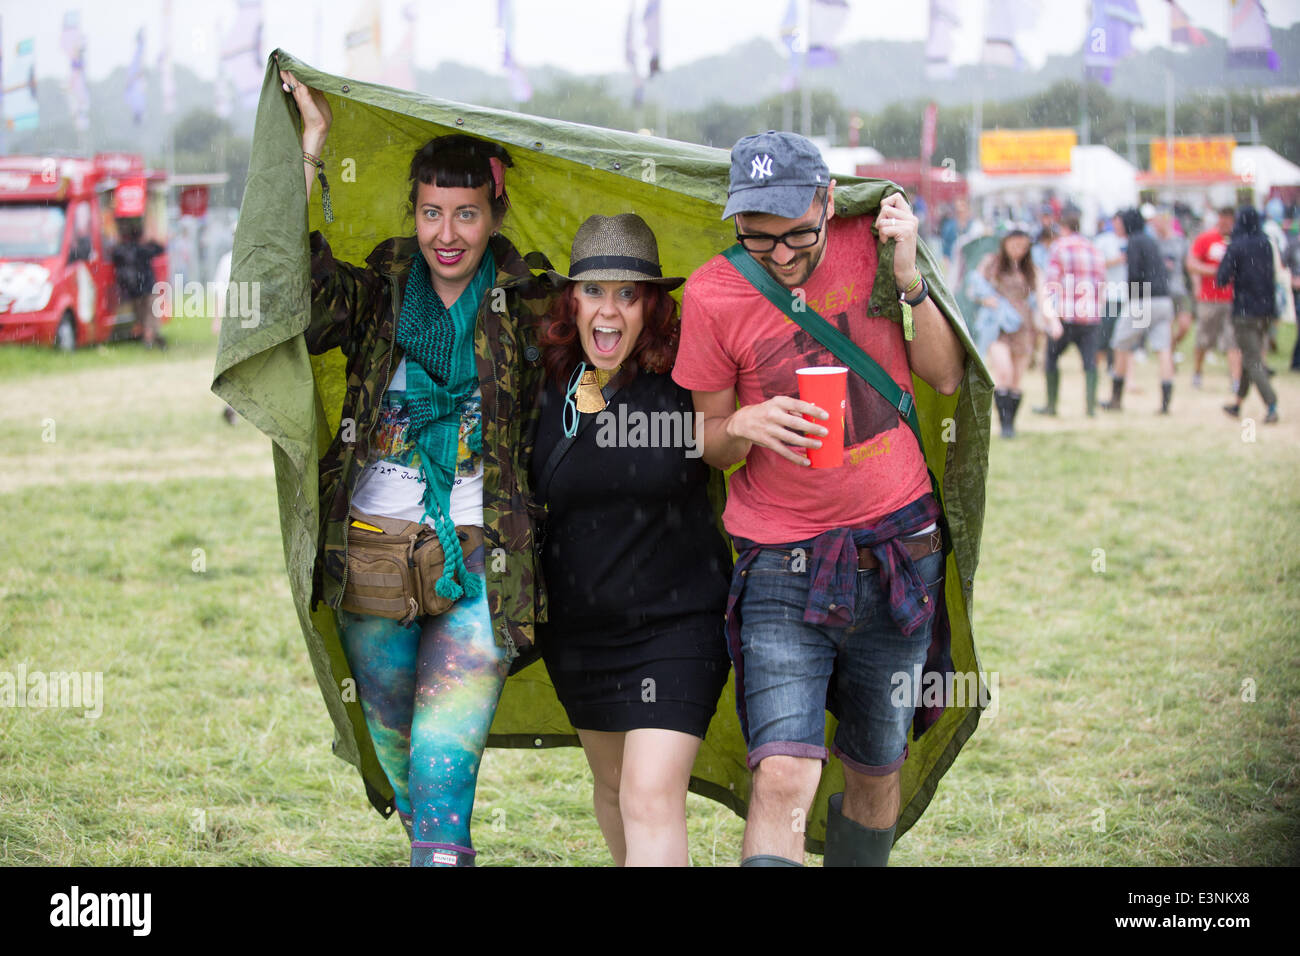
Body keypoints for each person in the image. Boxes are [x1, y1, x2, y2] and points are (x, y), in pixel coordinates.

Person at [673, 131, 967, 867]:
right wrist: (740, 424)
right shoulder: (713, 292)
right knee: (784, 771)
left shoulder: (873, 241)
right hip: (781, 559)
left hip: (900, 547)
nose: (779, 254)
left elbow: (947, 377)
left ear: (829, 200)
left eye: (798, 233)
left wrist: (912, 279)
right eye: (757, 235)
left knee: (875, 766)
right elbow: (704, 438)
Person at [279, 69, 549, 866]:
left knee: (440, 780)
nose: (447, 233)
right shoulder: (381, 291)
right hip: (369, 557)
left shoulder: (527, 303)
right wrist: (310, 153)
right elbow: (296, 291)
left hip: (478, 561)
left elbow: (614, 331)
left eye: (466, 213)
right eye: (432, 212)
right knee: (410, 788)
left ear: (495, 214)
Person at [531, 213, 732, 866]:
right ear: (571, 300)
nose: (608, 310)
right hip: (581, 635)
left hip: (679, 627)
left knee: (648, 796)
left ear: (652, 304)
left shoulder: (684, 382)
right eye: (594, 291)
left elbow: (728, 434)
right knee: (615, 789)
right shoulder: (546, 384)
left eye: (628, 293)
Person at [969, 229, 1059, 437]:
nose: (1017, 249)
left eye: (1022, 245)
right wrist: (986, 300)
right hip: (998, 326)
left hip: (1024, 327)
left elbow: (1043, 297)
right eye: (1014, 244)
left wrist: (1052, 321)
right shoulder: (991, 264)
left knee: (1017, 378)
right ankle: (1004, 423)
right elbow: (974, 288)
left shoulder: (1032, 270)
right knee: (1004, 372)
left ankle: (1010, 423)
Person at [1100, 208, 1176, 414]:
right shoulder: (1150, 240)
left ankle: (1116, 398)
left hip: (1143, 300)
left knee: (1120, 343)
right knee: (1163, 348)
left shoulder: (1134, 242)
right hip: (1163, 299)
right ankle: (1165, 403)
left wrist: (1134, 305)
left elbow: (1134, 274)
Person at [1033, 210, 1106, 418]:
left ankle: (1051, 405)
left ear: (1063, 228)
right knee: (1090, 362)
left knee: (1052, 359)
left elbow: (1051, 285)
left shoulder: (1059, 247)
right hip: (1090, 315)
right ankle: (1090, 407)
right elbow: (1102, 284)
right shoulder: (1094, 248)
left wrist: (1051, 317)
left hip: (1065, 315)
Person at [1218, 207, 1279, 423]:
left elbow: (1222, 278)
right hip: (1266, 310)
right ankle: (1237, 404)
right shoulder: (1266, 243)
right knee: (1249, 356)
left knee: (1252, 359)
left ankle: (1271, 403)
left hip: (1245, 310)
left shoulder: (1237, 245)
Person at [1187, 208, 1242, 392]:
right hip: (1209, 298)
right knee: (1203, 339)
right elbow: (1192, 263)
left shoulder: (1238, 240)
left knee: (1232, 340)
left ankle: (1235, 379)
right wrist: (1216, 273)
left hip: (1232, 299)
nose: (1225, 223)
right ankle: (1197, 371)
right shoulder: (1206, 239)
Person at [111, 219, 166, 349]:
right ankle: (150, 339)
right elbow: (160, 249)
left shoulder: (122, 250)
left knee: (141, 316)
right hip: (147, 287)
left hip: (133, 289)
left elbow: (114, 255)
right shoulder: (144, 249)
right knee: (150, 315)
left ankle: (150, 338)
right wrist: (152, 238)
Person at [1153, 211, 1194, 355]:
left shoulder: (1180, 241)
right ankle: (1168, 358)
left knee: (1185, 325)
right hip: (1163, 291)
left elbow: (1188, 265)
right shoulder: (1154, 243)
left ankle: (1172, 348)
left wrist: (1194, 286)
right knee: (1167, 327)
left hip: (1180, 289)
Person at [1092, 214, 1127, 375]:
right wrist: (1117, 260)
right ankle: (1093, 368)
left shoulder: (1130, 239)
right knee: (1104, 334)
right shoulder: (1104, 240)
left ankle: (1113, 367)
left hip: (1127, 295)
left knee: (1119, 335)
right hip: (1109, 294)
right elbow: (1095, 264)